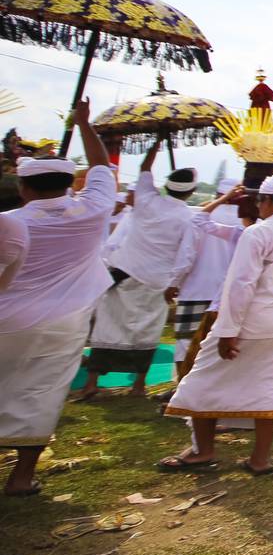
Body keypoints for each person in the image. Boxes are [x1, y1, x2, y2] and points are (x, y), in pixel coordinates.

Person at [161, 174, 273, 476]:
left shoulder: (260, 232)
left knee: (201, 381)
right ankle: (260, 459)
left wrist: (227, 331)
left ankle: (203, 451)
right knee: (271, 388)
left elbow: (240, 286)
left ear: (268, 201)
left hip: (251, 322)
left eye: (260, 201)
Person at [0, 101, 115, 496]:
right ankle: (21, 476)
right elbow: (101, 168)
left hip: (8, 317)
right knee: (41, 392)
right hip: (64, 322)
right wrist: (85, 122)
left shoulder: (10, 223)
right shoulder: (95, 210)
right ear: (71, 184)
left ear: (23, 186)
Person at [81, 141, 198, 399]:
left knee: (108, 325)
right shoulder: (187, 217)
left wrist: (156, 144)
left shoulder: (146, 199)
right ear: (192, 192)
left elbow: (145, 169)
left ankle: (91, 383)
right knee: (147, 329)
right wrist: (174, 284)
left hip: (124, 272)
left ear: (166, 185)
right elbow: (186, 255)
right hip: (156, 280)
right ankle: (138, 386)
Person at [173, 178, 240, 381]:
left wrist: (173, 282)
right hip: (229, 294)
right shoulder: (248, 220)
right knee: (219, 343)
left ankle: (182, 386)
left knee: (186, 341)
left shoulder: (201, 216)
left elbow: (187, 254)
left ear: (218, 195)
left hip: (196, 288)